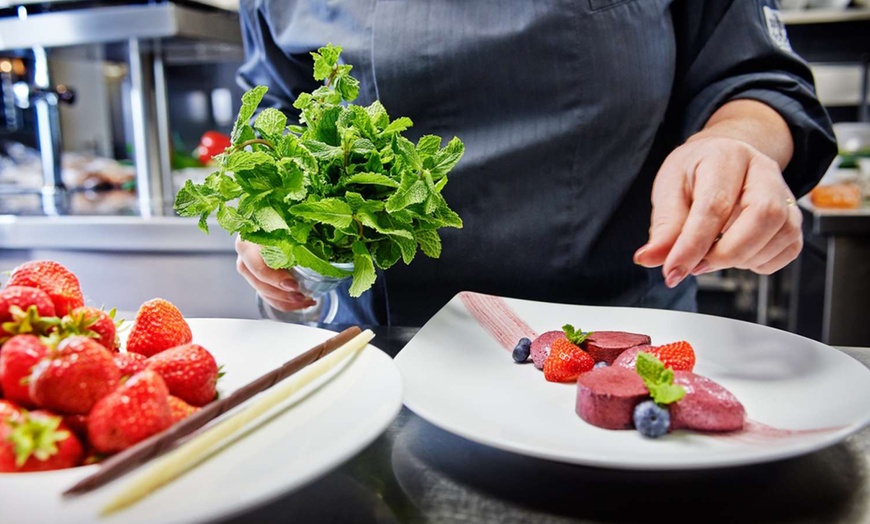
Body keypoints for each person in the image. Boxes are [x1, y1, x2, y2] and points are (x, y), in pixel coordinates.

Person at [232, 0, 837, 327]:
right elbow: (275, 114)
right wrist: (266, 209)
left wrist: (735, 141)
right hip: (379, 348)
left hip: (617, 343)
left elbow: (755, 77)